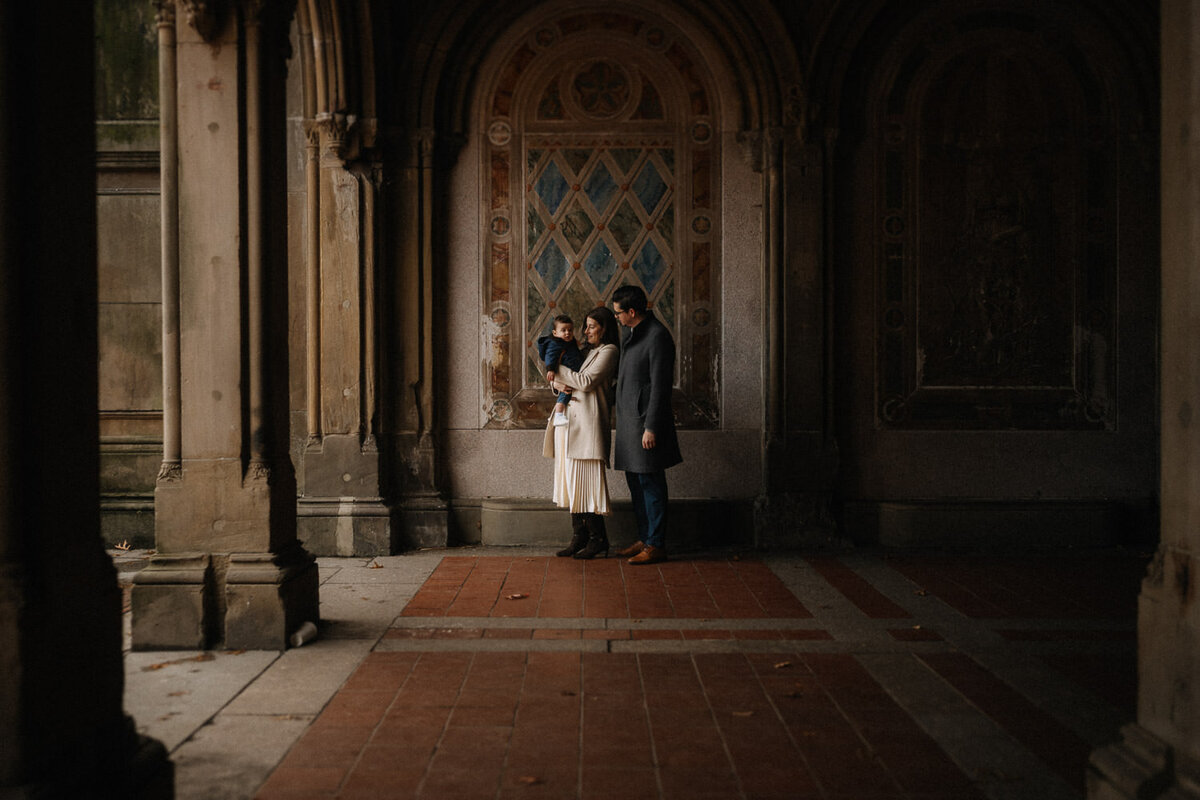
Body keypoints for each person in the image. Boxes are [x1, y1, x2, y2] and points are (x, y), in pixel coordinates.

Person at [611, 285, 681, 565]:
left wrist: (651, 427)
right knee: (636, 483)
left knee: (650, 482)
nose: (616, 317)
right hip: (630, 422)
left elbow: (660, 387)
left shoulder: (657, 336)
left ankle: (656, 544)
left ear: (631, 312)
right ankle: (645, 537)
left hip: (644, 424)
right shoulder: (632, 333)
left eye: (618, 313)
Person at [543, 307, 621, 559]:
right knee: (571, 481)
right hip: (568, 423)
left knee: (587, 483)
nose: (585, 331)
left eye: (591, 326)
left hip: (587, 425)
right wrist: (556, 382)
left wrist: (554, 372)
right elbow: (566, 383)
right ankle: (579, 536)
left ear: (604, 329)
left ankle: (599, 539)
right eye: (585, 326)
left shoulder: (608, 351)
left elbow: (586, 382)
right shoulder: (584, 350)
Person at [536, 314, 585, 426]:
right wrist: (551, 369)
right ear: (555, 333)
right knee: (565, 394)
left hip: (572, 373)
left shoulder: (568, 341)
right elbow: (550, 356)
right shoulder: (554, 344)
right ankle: (557, 416)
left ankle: (557, 415)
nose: (567, 333)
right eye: (563, 330)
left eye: (570, 330)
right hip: (565, 375)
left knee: (566, 394)